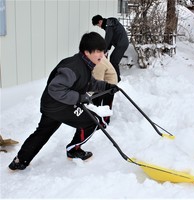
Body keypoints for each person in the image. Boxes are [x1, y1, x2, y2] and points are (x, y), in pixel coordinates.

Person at [8, 32, 119, 171]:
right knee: (92, 121)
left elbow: (88, 83)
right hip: (59, 105)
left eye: (102, 51)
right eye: (97, 51)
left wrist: (107, 86)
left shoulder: (83, 64)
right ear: (86, 51)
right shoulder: (74, 67)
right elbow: (55, 89)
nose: (101, 55)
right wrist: (79, 98)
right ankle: (74, 150)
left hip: (52, 105)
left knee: (43, 132)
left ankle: (20, 160)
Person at [92, 14, 129, 82]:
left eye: (98, 25)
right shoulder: (109, 24)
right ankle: (115, 78)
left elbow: (107, 40)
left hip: (122, 43)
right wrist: (106, 50)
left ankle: (117, 79)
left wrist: (103, 51)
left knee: (114, 61)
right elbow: (110, 40)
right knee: (112, 60)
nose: (99, 27)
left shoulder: (109, 26)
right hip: (121, 43)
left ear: (100, 21)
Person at [92, 56, 118, 126]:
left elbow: (97, 81)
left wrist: (90, 93)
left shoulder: (99, 63)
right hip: (106, 84)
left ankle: (103, 122)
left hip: (108, 86)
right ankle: (97, 120)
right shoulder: (97, 58)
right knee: (100, 103)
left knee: (102, 105)